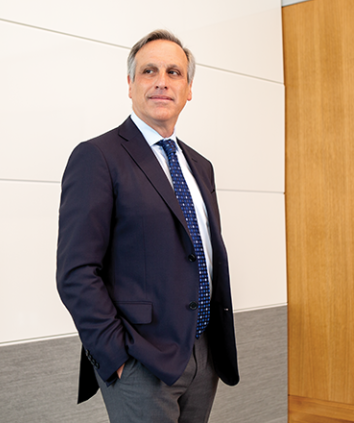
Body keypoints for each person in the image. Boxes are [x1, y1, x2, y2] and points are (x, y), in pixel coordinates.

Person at [56, 30, 239, 422]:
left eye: (174, 72)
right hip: (140, 361)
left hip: (204, 356)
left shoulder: (200, 166)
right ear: (130, 84)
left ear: (189, 89)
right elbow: (76, 272)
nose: (161, 81)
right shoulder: (97, 157)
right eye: (148, 71)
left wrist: (208, 352)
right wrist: (116, 356)